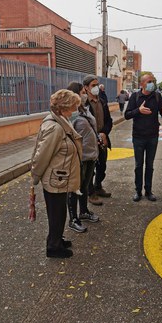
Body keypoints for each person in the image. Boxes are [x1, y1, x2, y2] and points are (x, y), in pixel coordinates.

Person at [31, 89, 82, 259]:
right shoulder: (54, 127)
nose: (75, 110)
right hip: (55, 180)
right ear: (63, 107)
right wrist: (35, 177)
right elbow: (42, 155)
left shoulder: (60, 121)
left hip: (59, 178)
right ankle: (53, 247)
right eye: (73, 106)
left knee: (59, 213)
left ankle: (57, 240)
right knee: (56, 215)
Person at [125, 74, 162, 202]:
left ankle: (148, 191)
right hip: (138, 137)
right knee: (138, 165)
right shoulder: (135, 97)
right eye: (150, 81)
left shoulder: (157, 96)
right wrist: (138, 111)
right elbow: (127, 115)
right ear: (142, 84)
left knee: (150, 165)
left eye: (153, 81)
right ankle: (138, 191)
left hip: (152, 136)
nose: (153, 83)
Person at [67, 82, 100, 232]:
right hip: (79, 157)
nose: (84, 94)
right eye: (82, 92)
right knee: (75, 188)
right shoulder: (71, 113)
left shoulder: (84, 109)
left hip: (90, 155)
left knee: (85, 186)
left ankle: (84, 211)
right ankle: (73, 218)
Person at [83, 75, 113, 205]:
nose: (96, 88)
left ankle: (98, 186)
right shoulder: (83, 104)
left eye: (97, 85)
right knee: (90, 168)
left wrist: (105, 133)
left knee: (102, 165)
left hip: (102, 140)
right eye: (93, 85)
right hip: (90, 142)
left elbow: (109, 120)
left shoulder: (102, 101)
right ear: (86, 88)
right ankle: (91, 193)